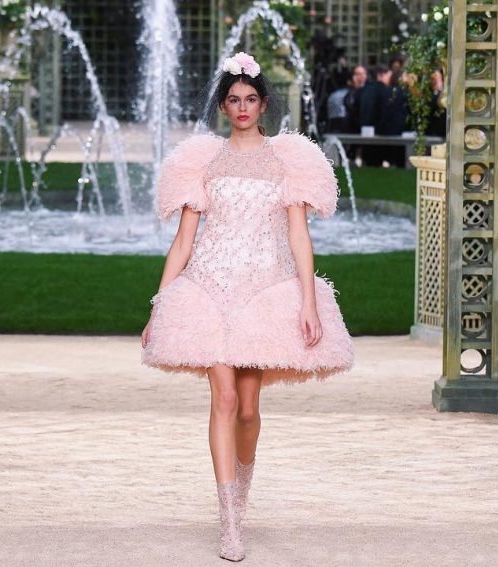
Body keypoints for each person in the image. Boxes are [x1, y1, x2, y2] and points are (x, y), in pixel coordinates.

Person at [140, 51, 354, 562]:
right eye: (233, 99)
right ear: (223, 106)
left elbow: (299, 235)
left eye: (250, 99)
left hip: (265, 290)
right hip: (208, 289)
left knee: (250, 409)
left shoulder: (288, 160)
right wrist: (160, 305)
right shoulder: (202, 161)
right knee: (225, 401)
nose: (242, 107)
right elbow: (183, 241)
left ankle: (242, 496)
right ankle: (229, 520)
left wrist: (308, 300)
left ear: (262, 105)